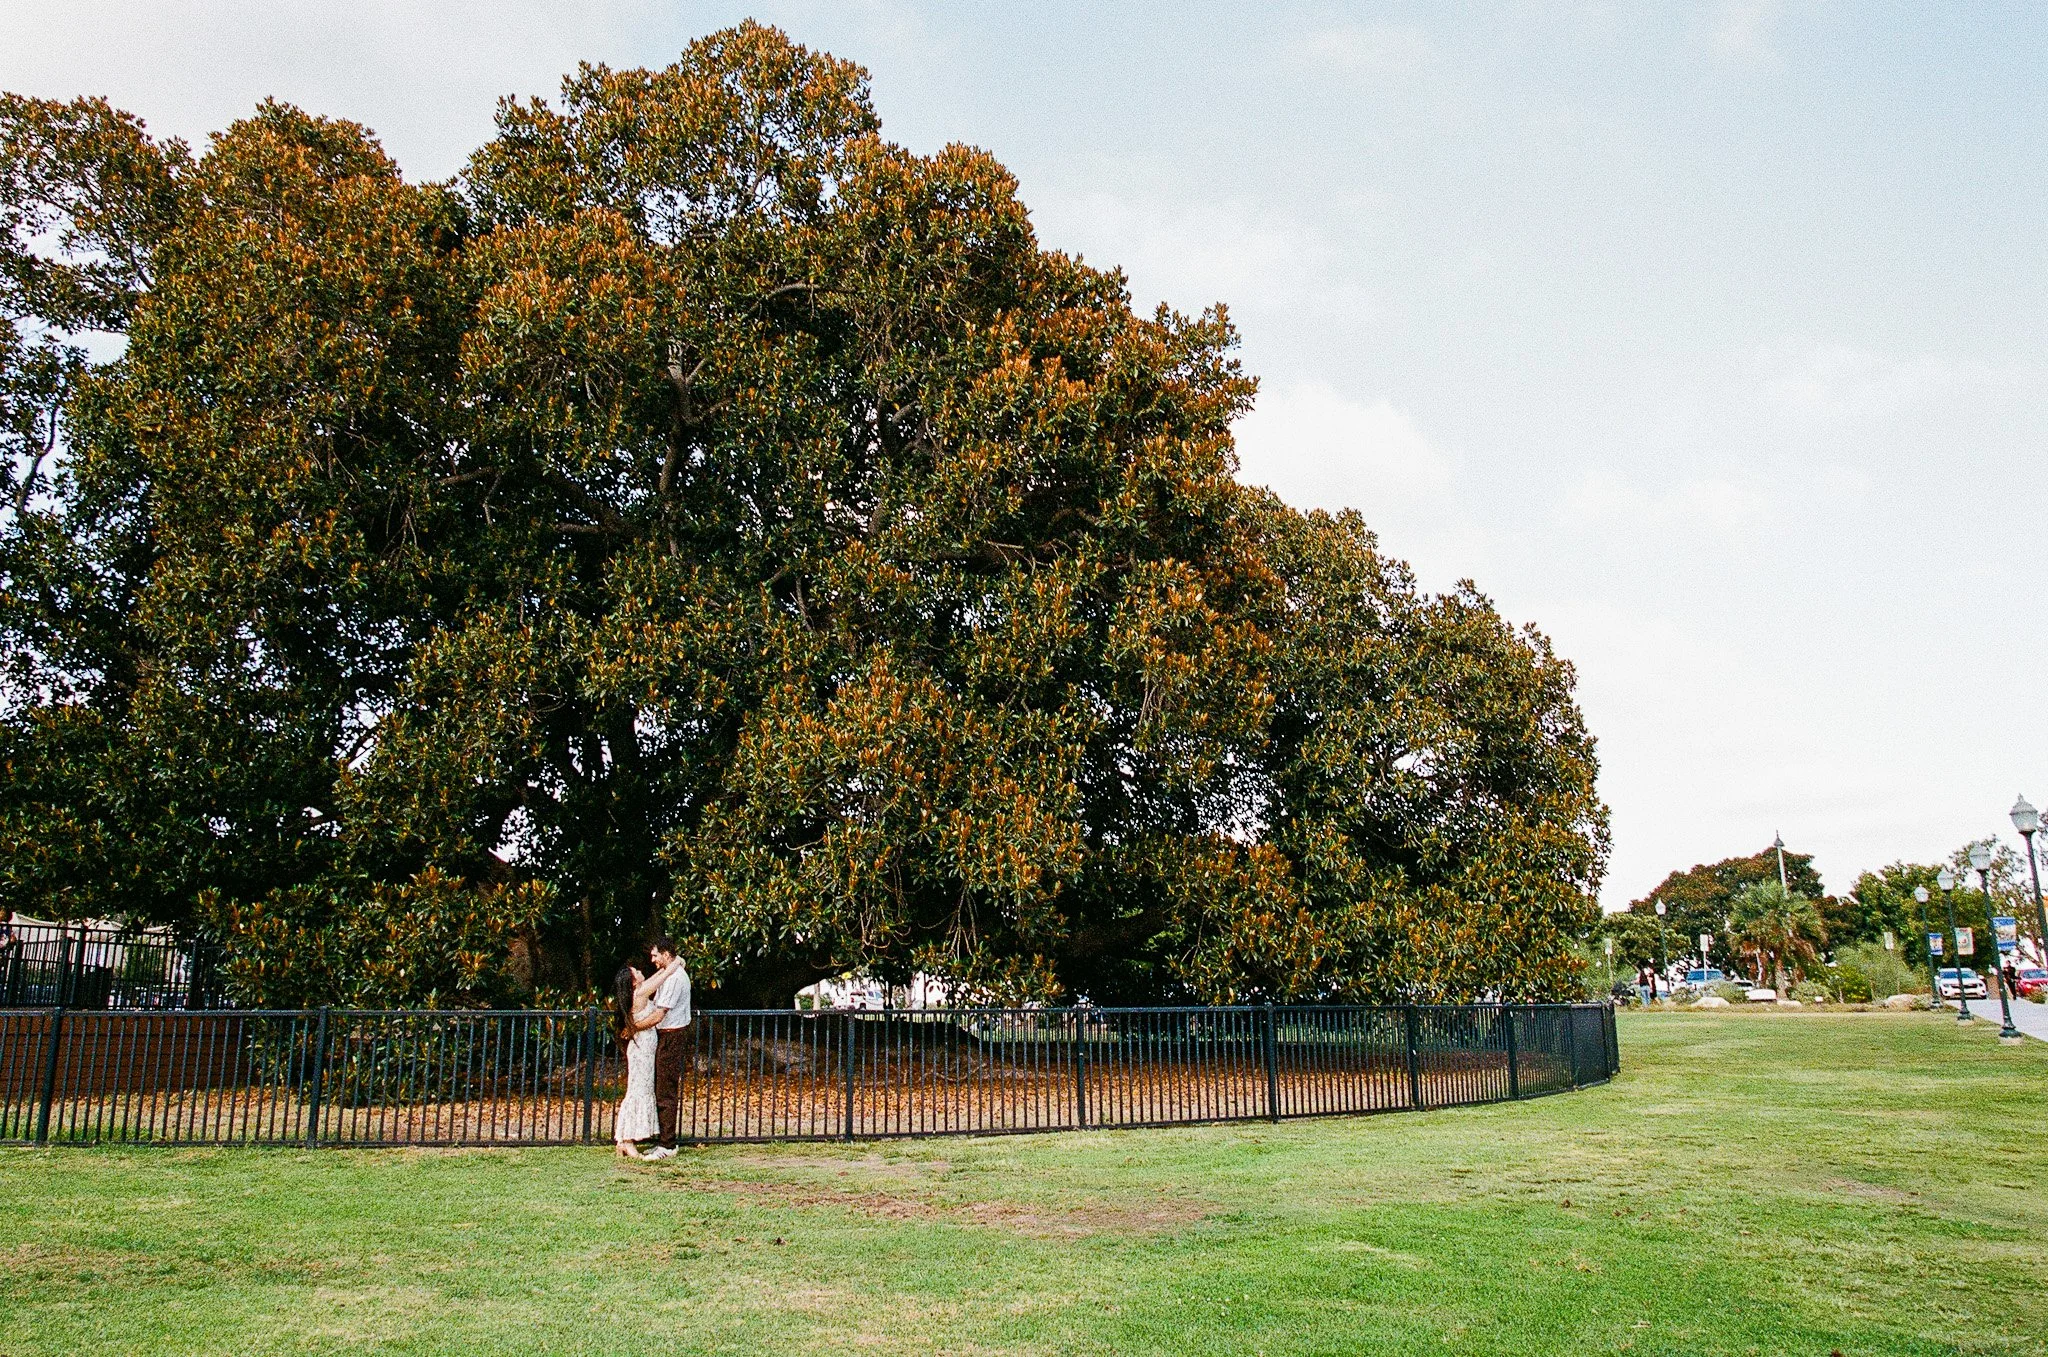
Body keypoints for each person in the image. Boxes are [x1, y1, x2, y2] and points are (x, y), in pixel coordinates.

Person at [612, 958, 680, 1159]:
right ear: (633, 981)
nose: (641, 971)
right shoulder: (640, 993)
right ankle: (626, 1139)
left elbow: (658, 976)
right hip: (642, 1049)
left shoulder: (639, 990)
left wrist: (668, 965)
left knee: (640, 1089)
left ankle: (626, 1139)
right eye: (637, 971)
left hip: (645, 1047)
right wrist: (676, 962)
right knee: (637, 1091)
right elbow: (664, 976)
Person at [645, 935, 693, 1159]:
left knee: (666, 1089)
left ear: (666, 954)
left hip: (672, 1035)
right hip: (668, 1035)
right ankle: (664, 1139)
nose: (653, 960)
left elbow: (660, 1013)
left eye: (655, 955)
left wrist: (635, 1026)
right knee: (662, 1087)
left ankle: (668, 1144)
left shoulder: (675, 979)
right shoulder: (670, 974)